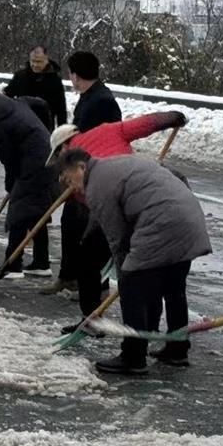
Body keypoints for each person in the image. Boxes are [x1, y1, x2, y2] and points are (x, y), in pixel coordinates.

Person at [58, 148, 212, 375]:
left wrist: (125, 272)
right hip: (188, 220)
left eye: (71, 179)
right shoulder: (115, 165)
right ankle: (177, 349)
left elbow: (116, 236)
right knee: (172, 287)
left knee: (132, 285)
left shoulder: (98, 184)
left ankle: (133, 356)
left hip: (162, 224)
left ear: (82, 167)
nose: (73, 186)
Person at [46, 112, 188, 340]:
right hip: (163, 205)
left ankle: (98, 322)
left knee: (96, 264)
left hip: (124, 208)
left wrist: (123, 261)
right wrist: (171, 118)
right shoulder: (107, 129)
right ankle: (174, 343)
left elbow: (95, 206)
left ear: (64, 146)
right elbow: (143, 124)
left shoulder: (76, 163)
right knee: (168, 281)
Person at [0, 92, 54, 277]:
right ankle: (41, 263)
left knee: (19, 210)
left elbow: (9, 158)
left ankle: (12, 265)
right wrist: (47, 131)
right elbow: (40, 102)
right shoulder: (14, 105)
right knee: (35, 212)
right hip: (48, 156)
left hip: (33, 163)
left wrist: (12, 183)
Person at [4, 45, 68, 128]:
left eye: (39, 62)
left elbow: (61, 110)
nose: (35, 65)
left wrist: (62, 132)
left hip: (44, 127)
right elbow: (7, 98)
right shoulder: (20, 77)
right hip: (21, 125)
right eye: (33, 61)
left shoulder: (55, 81)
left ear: (47, 60)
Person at [67, 51, 121, 132]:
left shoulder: (101, 102)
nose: (69, 78)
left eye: (69, 73)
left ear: (76, 76)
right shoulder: (91, 95)